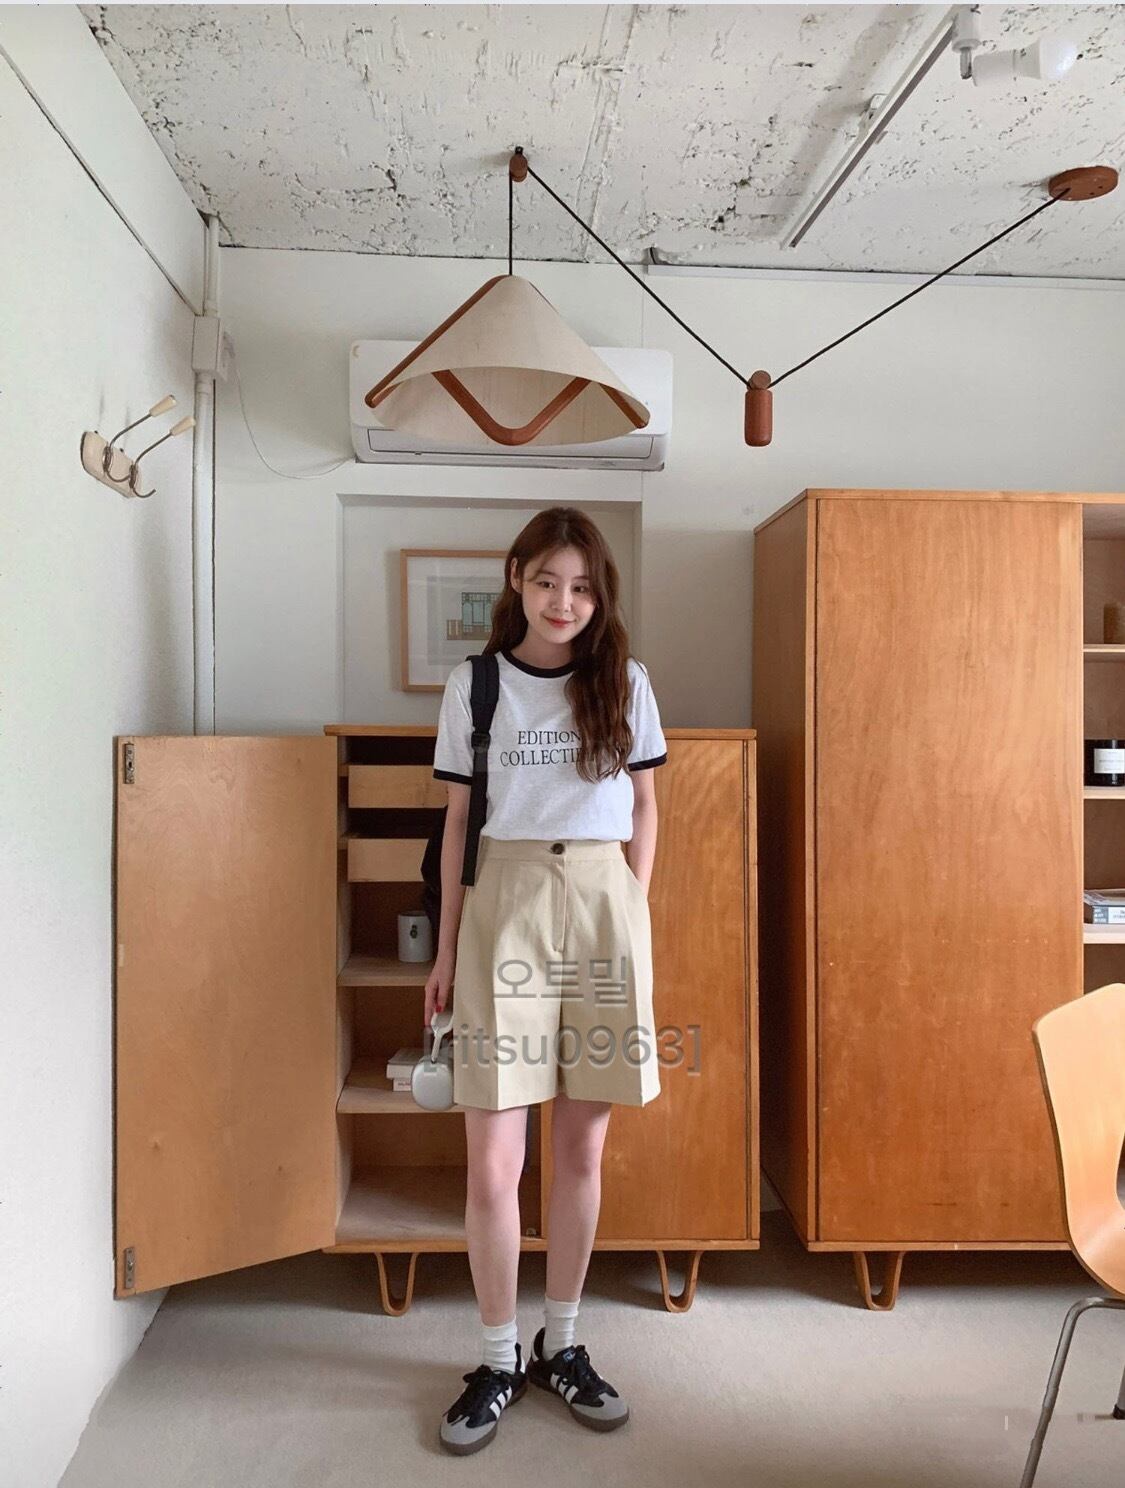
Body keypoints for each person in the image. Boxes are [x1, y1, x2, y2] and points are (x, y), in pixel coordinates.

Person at [424, 505, 667, 1455]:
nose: (563, 602)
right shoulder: (476, 685)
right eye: (546, 582)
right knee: (493, 1159)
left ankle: (560, 1343)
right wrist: (447, 951)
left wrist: (632, 907)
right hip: (506, 903)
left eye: (581, 587)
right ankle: (496, 1358)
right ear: (516, 581)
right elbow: (457, 825)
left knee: (580, 1150)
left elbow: (645, 804)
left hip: (602, 902)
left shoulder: (625, 680)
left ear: (599, 596)